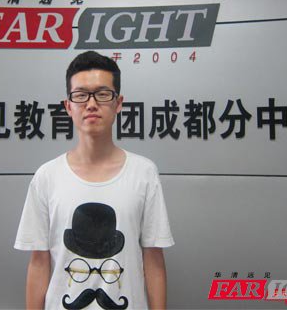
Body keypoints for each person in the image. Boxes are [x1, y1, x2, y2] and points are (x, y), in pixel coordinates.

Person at [14, 51, 174, 309]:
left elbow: (153, 259)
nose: (91, 104)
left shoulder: (143, 173)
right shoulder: (47, 177)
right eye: (80, 95)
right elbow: (39, 263)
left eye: (102, 94)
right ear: (68, 106)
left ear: (118, 103)